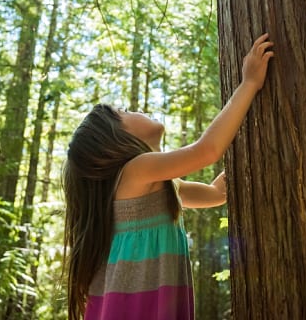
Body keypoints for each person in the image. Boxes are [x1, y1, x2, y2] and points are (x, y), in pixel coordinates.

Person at [63, 33, 275, 320]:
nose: (134, 109)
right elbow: (207, 151)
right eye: (123, 112)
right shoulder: (136, 170)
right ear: (114, 139)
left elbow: (207, 193)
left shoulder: (155, 184)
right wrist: (249, 83)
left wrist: (232, 181)